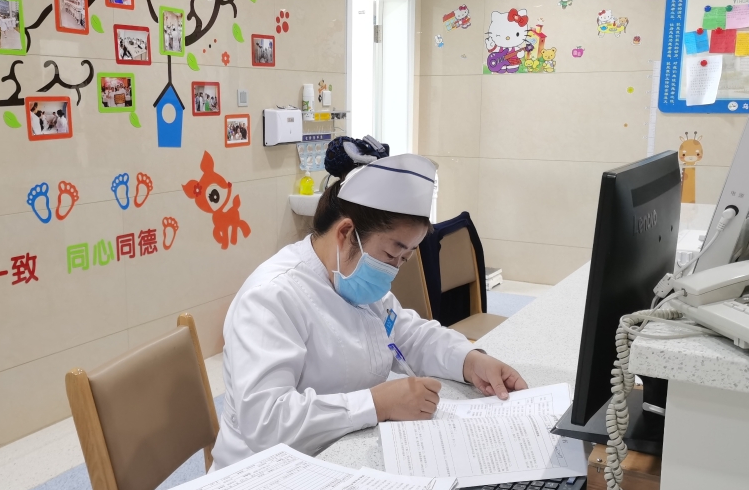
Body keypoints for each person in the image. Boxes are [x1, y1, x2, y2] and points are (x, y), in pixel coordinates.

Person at [211, 139, 527, 469]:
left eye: (404, 259)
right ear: (346, 233)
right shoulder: (270, 298)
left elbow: (409, 336)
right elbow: (266, 422)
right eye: (391, 254)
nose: (393, 270)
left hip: (339, 453)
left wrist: (470, 361)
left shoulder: (355, 280)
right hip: (263, 476)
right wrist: (376, 404)